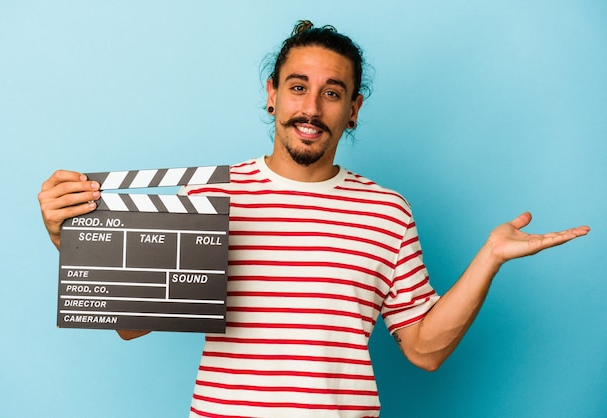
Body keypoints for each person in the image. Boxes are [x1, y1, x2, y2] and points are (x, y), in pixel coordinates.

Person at [38, 20, 589, 418]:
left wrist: (489, 258)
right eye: (298, 87)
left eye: (334, 93)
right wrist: (73, 241)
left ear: (354, 110)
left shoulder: (386, 211)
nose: (312, 107)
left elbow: (423, 350)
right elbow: (134, 323)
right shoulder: (208, 196)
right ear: (273, 95)